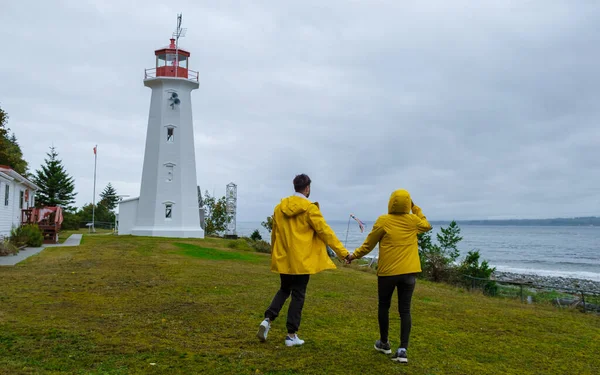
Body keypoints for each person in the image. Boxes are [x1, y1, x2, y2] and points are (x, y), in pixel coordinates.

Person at [257, 174, 350, 346]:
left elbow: (274, 234)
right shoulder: (310, 208)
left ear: (295, 187)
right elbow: (325, 232)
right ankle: (291, 335)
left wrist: (274, 254)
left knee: (284, 290)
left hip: (284, 258)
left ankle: (268, 319)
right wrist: (343, 253)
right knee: (298, 294)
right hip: (302, 260)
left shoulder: (279, 208)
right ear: (307, 188)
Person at [347, 189, 432, 363]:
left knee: (384, 306)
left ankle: (384, 343)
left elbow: (368, 244)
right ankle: (403, 350)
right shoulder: (413, 221)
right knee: (405, 310)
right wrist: (415, 208)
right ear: (408, 204)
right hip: (409, 273)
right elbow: (426, 224)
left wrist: (353, 256)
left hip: (388, 274)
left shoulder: (383, 221)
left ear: (391, 202)